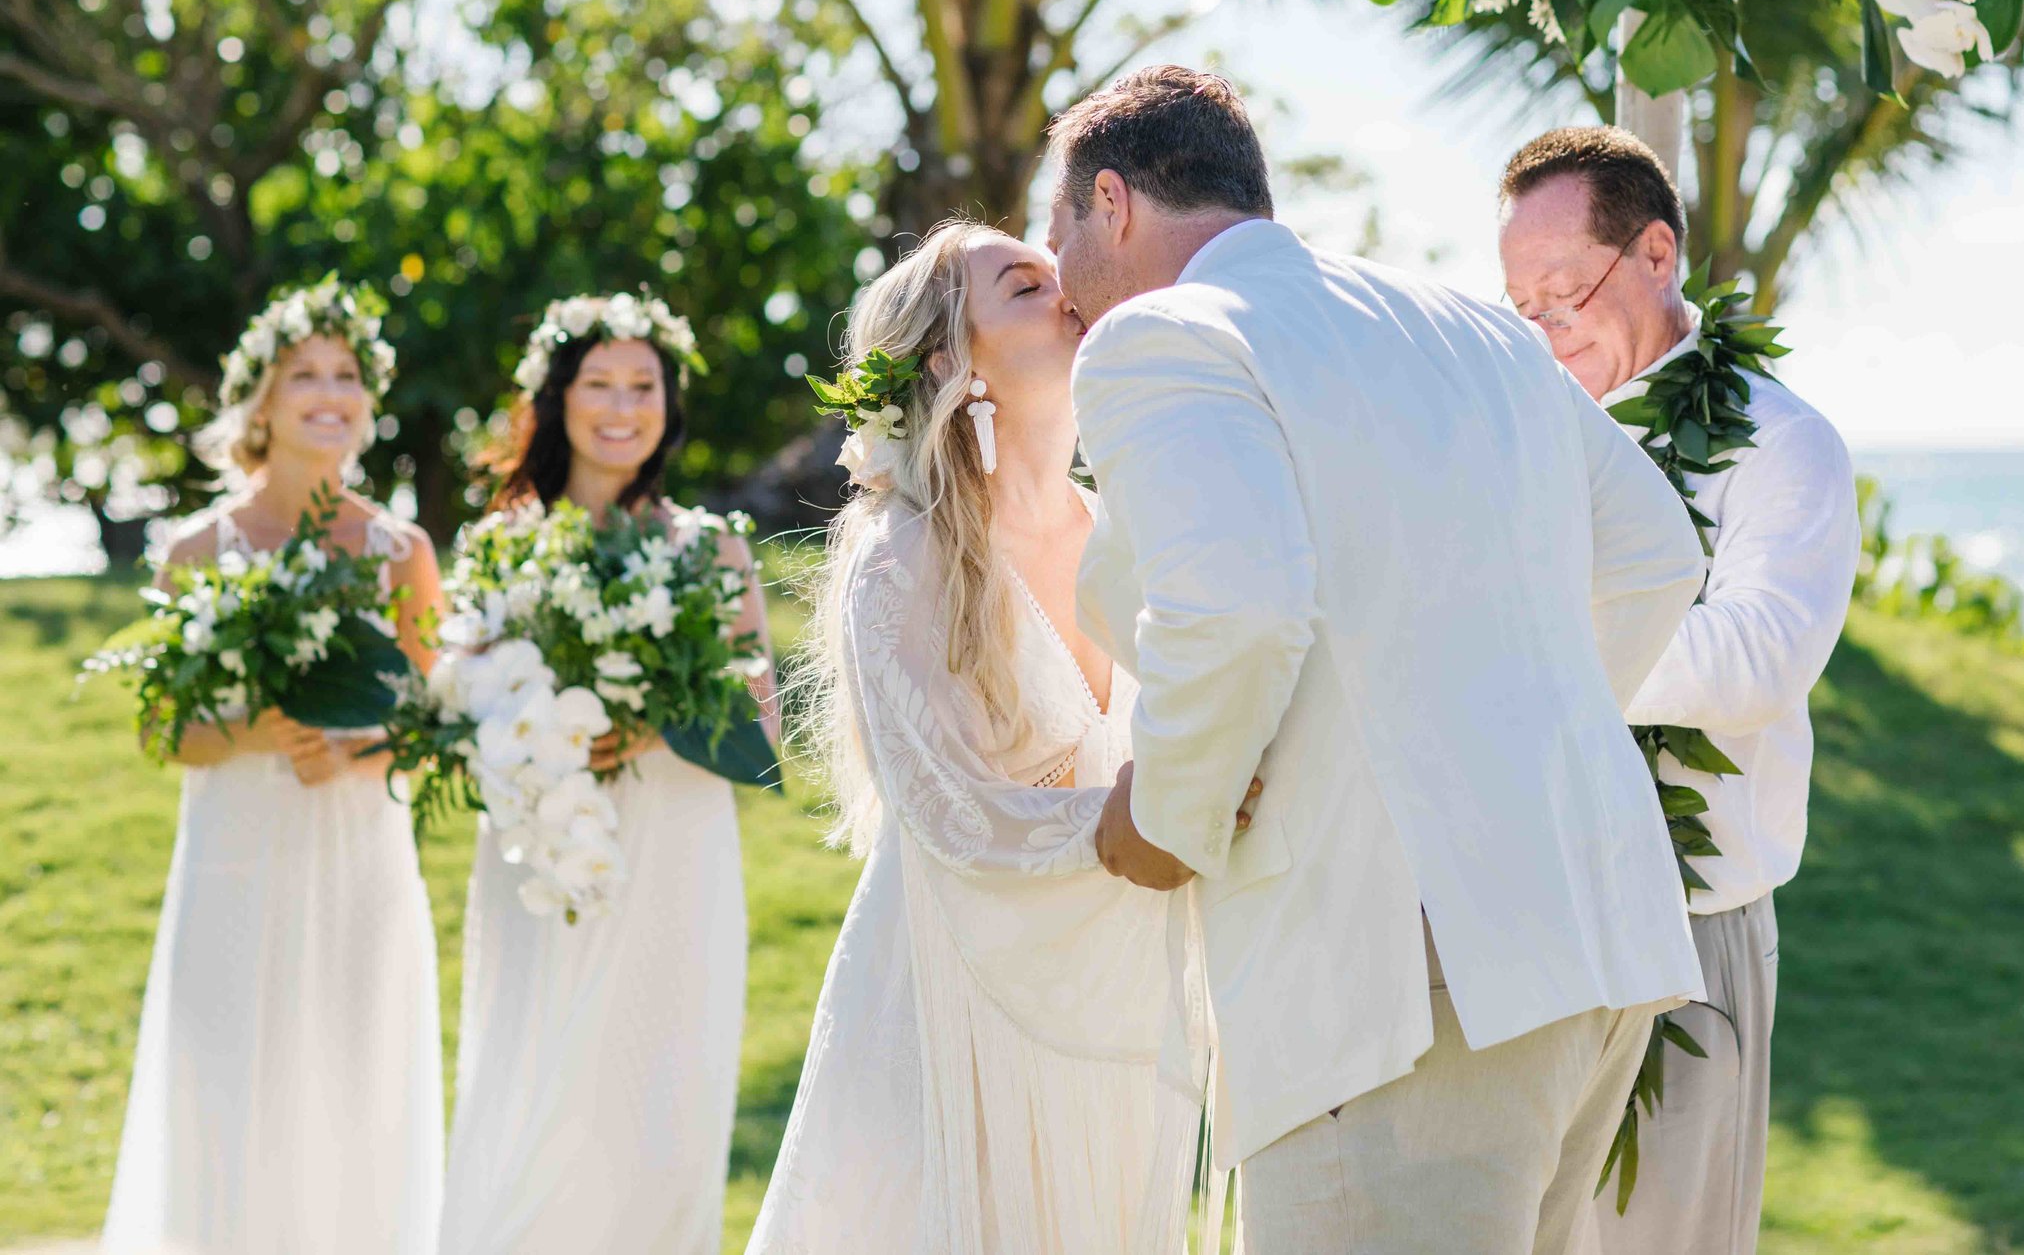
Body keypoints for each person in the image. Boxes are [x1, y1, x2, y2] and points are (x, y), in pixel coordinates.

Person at [1050, 65, 1712, 1255]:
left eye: (1054, 229)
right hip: (1590, 937)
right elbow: (1655, 552)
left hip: (1405, 977)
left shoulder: (1162, 335)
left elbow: (1237, 606)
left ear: (1112, 200)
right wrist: (1502, 747)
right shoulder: (1462, 321)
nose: (1056, 274)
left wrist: (1168, 814)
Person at [745, 221, 1199, 1255]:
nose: (1068, 286)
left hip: (1109, 999)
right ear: (952, 358)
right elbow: (946, 803)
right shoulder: (905, 555)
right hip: (955, 991)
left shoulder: (1131, 527)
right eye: (1025, 283)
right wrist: (1122, 821)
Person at [1498, 126, 1856, 1255]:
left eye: (1565, 291)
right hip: (1521, 911)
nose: (1546, 331)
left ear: (1655, 253)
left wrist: (1527, 648)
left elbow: (1753, 659)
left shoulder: (1780, 444)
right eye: (1520, 304)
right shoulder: (1516, 432)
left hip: (1686, 926)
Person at [101, 280, 444, 1255]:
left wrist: (357, 745)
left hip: (358, 853)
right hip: (236, 854)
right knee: (228, 1078)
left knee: (352, 1081)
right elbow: (162, 727)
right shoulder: (198, 549)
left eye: (347, 375)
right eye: (305, 374)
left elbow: (440, 719)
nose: (328, 392)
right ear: (259, 398)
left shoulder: (401, 550)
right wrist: (258, 730)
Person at [437, 293, 774, 1255]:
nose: (624, 406)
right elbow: (460, 709)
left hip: (676, 851)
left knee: (658, 1078)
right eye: (601, 384)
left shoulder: (712, 548)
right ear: (557, 397)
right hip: (541, 850)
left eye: (645, 386)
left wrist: (657, 722)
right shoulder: (501, 544)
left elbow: (759, 723)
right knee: (535, 1079)